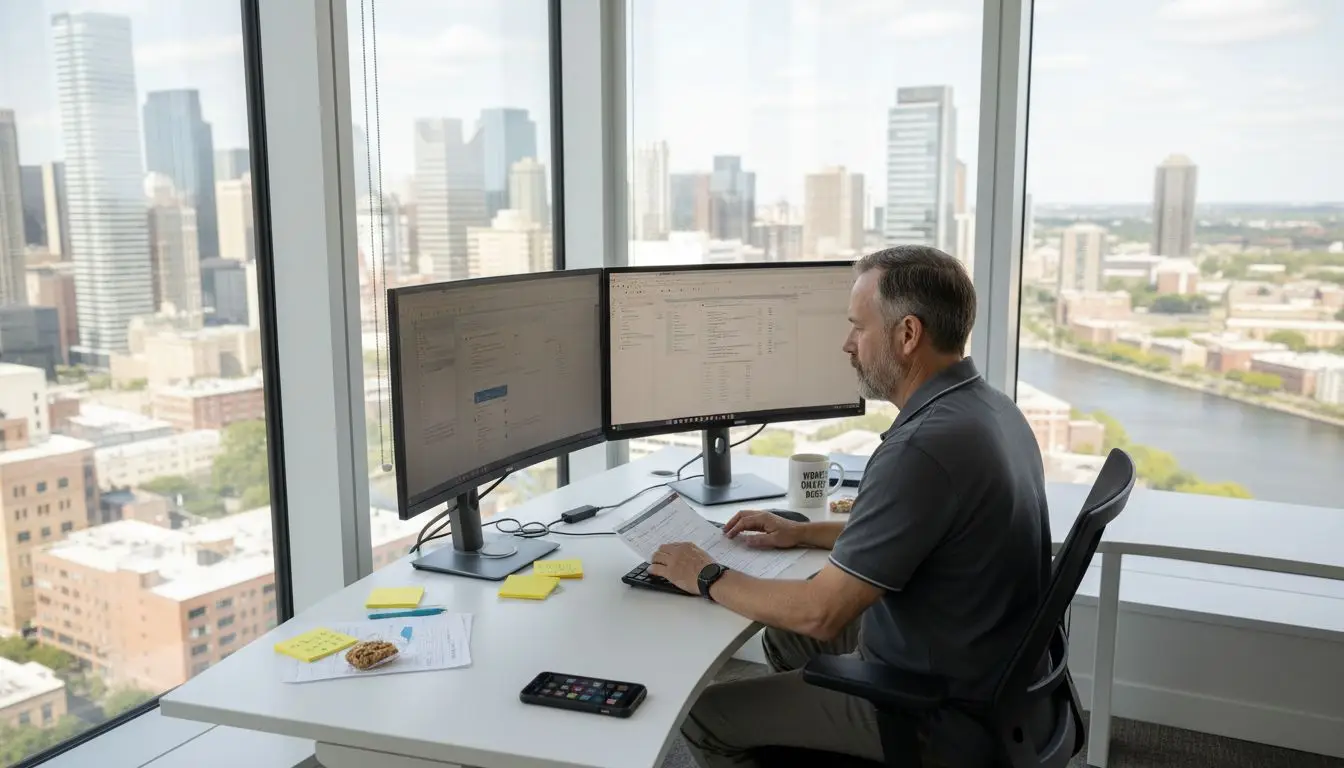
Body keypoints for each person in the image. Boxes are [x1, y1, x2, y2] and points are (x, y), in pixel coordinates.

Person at [648, 245, 1053, 767]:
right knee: (785, 638)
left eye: (859, 328)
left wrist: (705, 574)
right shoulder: (989, 410)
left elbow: (821, 613)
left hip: (934, 710)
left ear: (908, 335)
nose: (847, 344)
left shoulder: (921, 449)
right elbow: (926, 535)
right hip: (981, 669)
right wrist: (802, 532)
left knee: (704, 715)